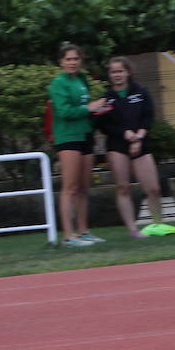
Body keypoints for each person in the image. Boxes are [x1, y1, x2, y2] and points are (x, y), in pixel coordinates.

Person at [100, 56, 175, 238]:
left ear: (128, 72)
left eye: (120, 71)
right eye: (113, 72)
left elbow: (148, 117)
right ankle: (133, 230)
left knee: (153, 188)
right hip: (117, 145)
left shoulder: (141, 92)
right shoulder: (106, 98)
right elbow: (103, 124)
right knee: (123, 187)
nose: (117, 75)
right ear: (109, 75)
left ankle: (158, 224)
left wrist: (139, 137)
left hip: (141, 142)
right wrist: (124, 133)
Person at [48, 43, 108, 247]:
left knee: (83, 187)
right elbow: (64, 112)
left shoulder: (82, 80)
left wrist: (98, 111)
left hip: (86, 135)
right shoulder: (58, 84)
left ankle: (83, 231)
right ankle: (68, 235)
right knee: (69, 187)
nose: (73, 62)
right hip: (68, 137)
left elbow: (86, 109)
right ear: (61, 62)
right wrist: (88, 107)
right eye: (68, 59)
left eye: (76, 59)